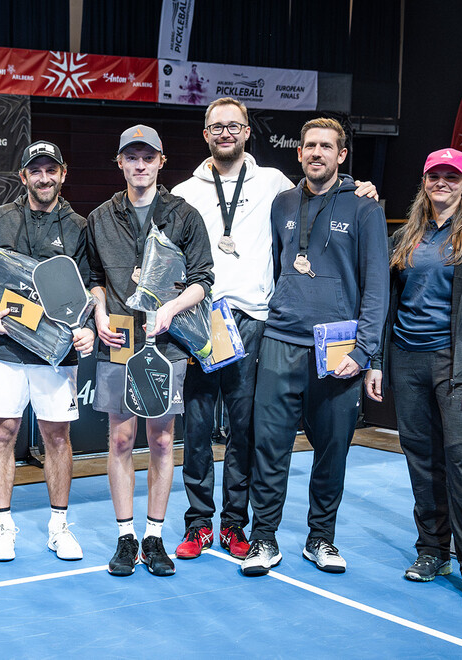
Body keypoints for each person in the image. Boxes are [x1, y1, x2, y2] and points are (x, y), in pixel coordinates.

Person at [171, 99, 378, 561]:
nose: (225, 133)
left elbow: (321, 195)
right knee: (199, 430)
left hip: (254, 321)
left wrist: (359, 186)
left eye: (234, 125)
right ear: (205, 134)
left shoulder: (274, 184)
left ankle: (235, 524)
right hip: (202, 321)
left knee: (245, 432)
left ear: (248, 132)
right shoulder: (184, 192)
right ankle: (198, 523)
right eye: (216, 126)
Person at [241, 117, 389, 577]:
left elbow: (377, 285)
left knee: (332, 450)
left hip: (337, 349)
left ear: (341, 155)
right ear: (299, 152)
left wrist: (365, 352)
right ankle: (264, 538)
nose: (317, 153)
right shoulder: (282, 202)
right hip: (280, 340)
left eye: (326, 146)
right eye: (310, 146)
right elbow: (274, 265)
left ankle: (320, 538)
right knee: (269, 448)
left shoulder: (364, 206)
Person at [365, 148, 462, 607]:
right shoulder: (406, 234)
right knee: (423, 463)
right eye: (434, 175)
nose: (441, 183)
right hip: (408, 361)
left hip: (458, 366)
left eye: (451, 176)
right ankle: (432, 551)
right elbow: (387, 303)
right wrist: (377, 360)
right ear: (424, 181)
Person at [86, 125, 214, 577]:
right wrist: (99, 313)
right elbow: (94, 278)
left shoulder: (184, 215)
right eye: (131, 157)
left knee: (161, 440)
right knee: (121, 439)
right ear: (120, 162)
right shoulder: (100, 217)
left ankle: (154, 536)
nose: (139, 165)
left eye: (148, 157)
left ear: (161, 161)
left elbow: (203, 279)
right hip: (119, 338)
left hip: (167, 341)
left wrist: (170, 309)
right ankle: (126, 537)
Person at [0, 140, 94, 562]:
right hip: (4, 347)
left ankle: (59, 527)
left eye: (51, 170)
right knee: (2, 433)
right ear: (23, 176)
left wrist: (88, 328)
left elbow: (91, 286)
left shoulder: (79, 226)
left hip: (56, 353)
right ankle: (3, 527)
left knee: (57, 437)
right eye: (35, 171)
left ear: (63, 173)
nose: (44, 178)